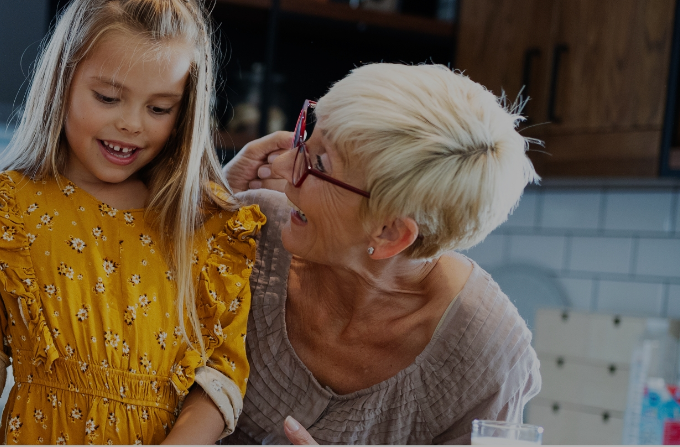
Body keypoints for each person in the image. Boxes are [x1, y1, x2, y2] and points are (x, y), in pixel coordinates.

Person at [0, 0, 265, 444]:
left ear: (185, 111)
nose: (131, 124)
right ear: (63, 80)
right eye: (108, 98)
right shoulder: (3, 208)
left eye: (159, 108)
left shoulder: (208, 228)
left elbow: (220, 380)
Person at [217, 63, 543, 445]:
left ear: (390, 233)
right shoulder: (249, 231)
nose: (281, 164)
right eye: (308, 135)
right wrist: (209, 204)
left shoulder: (486, 359)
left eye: (319, 163)